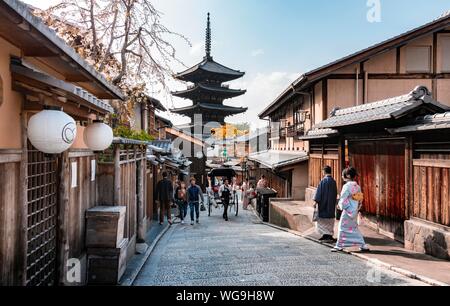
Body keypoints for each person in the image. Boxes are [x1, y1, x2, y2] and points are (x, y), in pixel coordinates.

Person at [332, 167, 370, 253]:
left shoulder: (346, 186)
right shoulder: (357, 186)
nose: (342, 176)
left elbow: (343, 197)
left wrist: (340, 205)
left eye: (343, 175)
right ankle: (362, 245)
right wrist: (357, 207)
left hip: (347, 210)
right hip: (354, 210)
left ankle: (339, 245)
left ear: (348, 175)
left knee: (342, 227)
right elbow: (360, 198)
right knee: (354, 228)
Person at [313, 166, 338, 242]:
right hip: (331, 205)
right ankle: (329, 235)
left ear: (324, 171)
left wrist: (316, 201)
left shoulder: (323, 181)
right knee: (330, 220)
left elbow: (319, 193)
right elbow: (335, 193)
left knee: (322, 220)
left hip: (323, 204)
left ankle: (325, 235)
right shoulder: (333, 181)